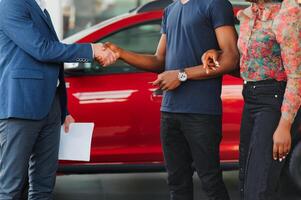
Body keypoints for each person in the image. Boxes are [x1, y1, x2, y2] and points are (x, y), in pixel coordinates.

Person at [103, 0, 240, 199]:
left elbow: (231, 57)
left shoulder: (215, 4)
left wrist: (182, 75)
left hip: (201, 111)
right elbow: (160, 60)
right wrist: (122, 53)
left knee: (210, 180)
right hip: (170, 111)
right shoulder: (170, 10)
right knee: (177, 182)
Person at [0, 0, 116, 199]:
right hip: (20, 106)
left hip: (50, 107)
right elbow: (43, 50)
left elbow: (52, 58)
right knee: (11, 188)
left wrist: (63, 109)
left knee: (44, 186)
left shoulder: (37, 6)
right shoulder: (9, 4)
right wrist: (90, 51)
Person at [202, 0, 301, 199]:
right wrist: (216, 54)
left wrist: (284, 124)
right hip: (251, 99)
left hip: (274, 102)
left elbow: (297, 76)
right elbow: (249, 60)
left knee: (259, 186)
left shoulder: (287, 14)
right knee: (246, 180)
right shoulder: (248, 15)